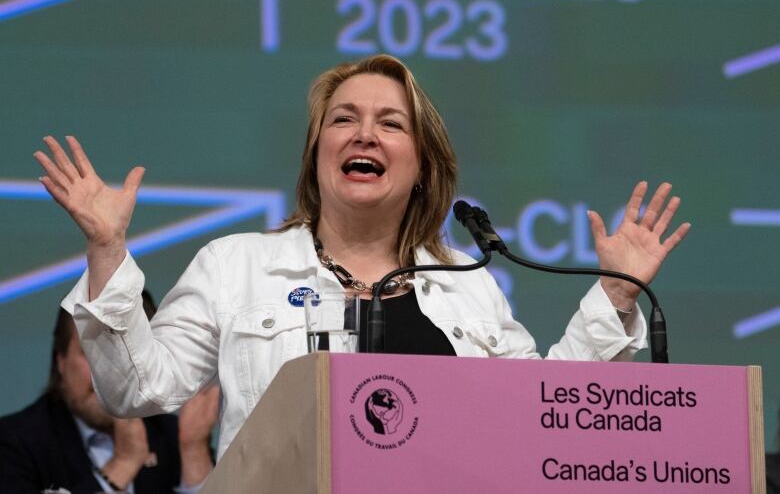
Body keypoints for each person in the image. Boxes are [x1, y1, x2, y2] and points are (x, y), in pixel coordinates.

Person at [33, 54, 690, 459]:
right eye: (343, 119)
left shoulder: (467, 285)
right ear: (318, 155)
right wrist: (108, 250)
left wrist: (617, 294)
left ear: (422, 168)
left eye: (391, 123)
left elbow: (544, 414)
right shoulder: (235, 265)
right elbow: (133, 388)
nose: (365, 133)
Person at [0, 291, 218, 493]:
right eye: (92, 353)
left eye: (124, 354)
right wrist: (121, 466)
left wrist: (193, 453)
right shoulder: (13, 443)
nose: (108, 375)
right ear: (61, 361)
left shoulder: (173, 436)